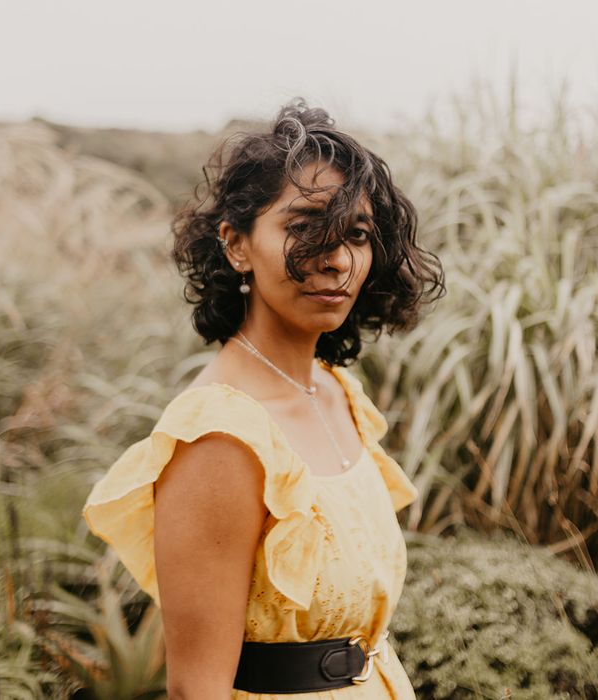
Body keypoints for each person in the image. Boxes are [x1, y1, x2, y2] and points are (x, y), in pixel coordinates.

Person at [82, 98, 445, 699]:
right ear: (236, 244)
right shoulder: (220, 438)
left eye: (355, 233)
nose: (335, 259)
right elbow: (196, 689)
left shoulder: (337, 393)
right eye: (303, 227)